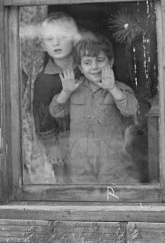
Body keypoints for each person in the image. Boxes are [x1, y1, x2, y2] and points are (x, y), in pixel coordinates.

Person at [49, 32, 139, 183]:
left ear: (111, 62)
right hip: (79, 160)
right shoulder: (73, 88)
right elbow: (55, 111)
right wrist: (65, 92)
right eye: (88, 62)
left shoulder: (119, 88)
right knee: (84, 198)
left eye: (100, 60)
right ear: (80, 67)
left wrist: (112, 88)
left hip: (111, 160)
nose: (94, 67)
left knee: (111, 200)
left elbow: (131, 109)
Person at [31, 13, 80, 182]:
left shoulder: (84, 69)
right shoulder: (44, 80)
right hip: (62, 141)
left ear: (74, 39)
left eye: (62, 37)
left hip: (86, 137)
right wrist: (52, 146)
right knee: (66, 181)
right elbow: (42, 116)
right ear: (43, 45)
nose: (56, 43)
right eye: (50, 39)